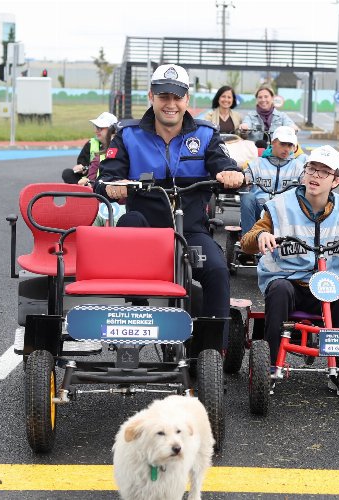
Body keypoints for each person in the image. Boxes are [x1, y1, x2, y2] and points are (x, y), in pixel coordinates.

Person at [96, 63, 244, 324]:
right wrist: (111, 185)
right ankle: (137, 314)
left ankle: (211, 351)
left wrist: (231, 174)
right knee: (128, 222)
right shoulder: (127, 134)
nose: (171, 104)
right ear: (151, 96)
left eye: (177, 97)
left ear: (187, 99)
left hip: (191, 231)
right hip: (145, 230)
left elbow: (223, 164)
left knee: (219, 270)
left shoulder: (205, 134)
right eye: (164, 96)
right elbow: (105, 179)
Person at [240, 146, 339, 397]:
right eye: (311, 169)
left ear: (336, 181)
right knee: (278, 290)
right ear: (304, 173)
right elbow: (248, 240)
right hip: (290, 283)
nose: (315, 176)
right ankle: (270, 366)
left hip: (328, 286)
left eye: (324, 172)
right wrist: (261, 235)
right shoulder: (279, 205)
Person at [239, 125, 306, 236]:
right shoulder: (256, 164)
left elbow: (306, 183)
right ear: (273, 142)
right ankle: (249, 240)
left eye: (290, 145)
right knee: (247, 196)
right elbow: (245, 179)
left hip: (286, 212)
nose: (286, 149)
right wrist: (244, 180)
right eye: (283, 144)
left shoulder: (299, 167)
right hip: (259, 209)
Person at [62, 112, 118, 185]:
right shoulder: (91, 144)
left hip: (107, 181)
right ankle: (85, 189)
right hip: (89, 179)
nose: (96, 131)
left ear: (112, 130)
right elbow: (82, 164)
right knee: (67, 173)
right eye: (96, 127)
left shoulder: (118, 145)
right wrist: (81, 168)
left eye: (100, 128)